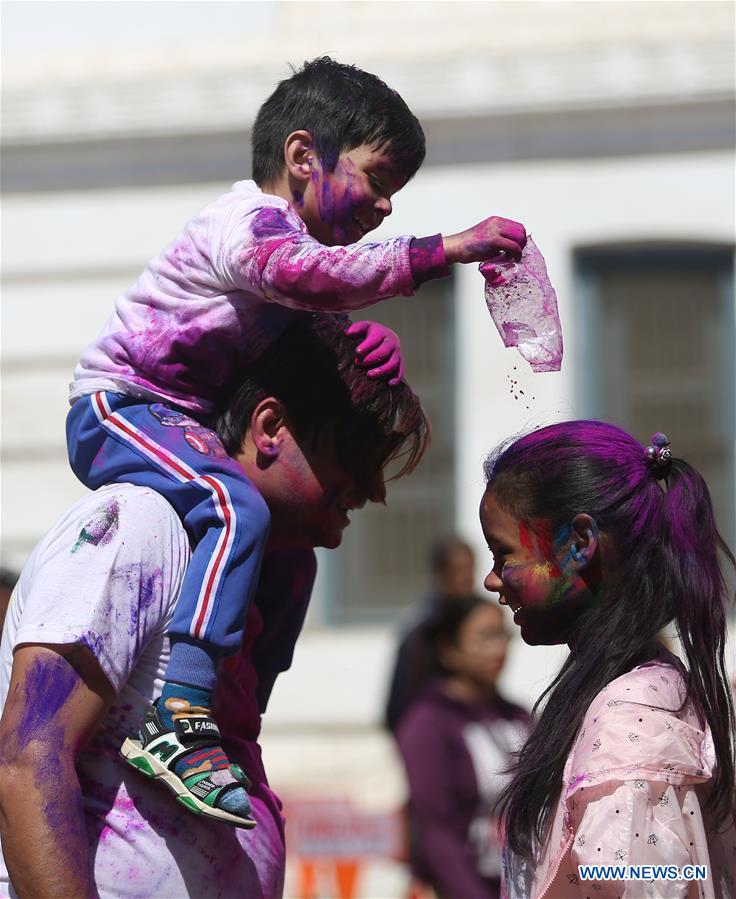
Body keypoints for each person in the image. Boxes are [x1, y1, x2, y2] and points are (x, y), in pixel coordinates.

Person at [65, 55, 527, 825]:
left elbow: (315, 313)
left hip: (183, 418)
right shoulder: (246, 224)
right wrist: (440, 250)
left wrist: (369, 348)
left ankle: (238, 722)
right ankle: (178, 713)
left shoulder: (291, 268)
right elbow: (310, 276)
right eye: (378, 180)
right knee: (232, 502)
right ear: (304, 157)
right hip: (121, 404)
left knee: (292, 557)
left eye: (394, 197)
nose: (383, 206)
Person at [0, 314, 429, 898]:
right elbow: (28, 761)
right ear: (270, 425)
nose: (374, 492)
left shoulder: (278, 571)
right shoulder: (140, 525)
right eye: (355, 462)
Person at [479, 421, 736, 899]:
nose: (492, 581)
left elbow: (642, 880)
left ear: (579, 544)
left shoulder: (629, 727)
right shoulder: (633, 694)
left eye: (503, 554)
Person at [396, 596, 529, 899]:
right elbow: (436, 831)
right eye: (484, 638)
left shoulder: (518, 716)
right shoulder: (427, 723)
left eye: (502, 636)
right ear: (449, 650)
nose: (498, 648)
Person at [384, 535, 478, 732]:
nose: (466, 579)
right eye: (458, 571)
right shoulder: (421, 632)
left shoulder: (481, 619)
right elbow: (398, 704)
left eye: (470, 570)